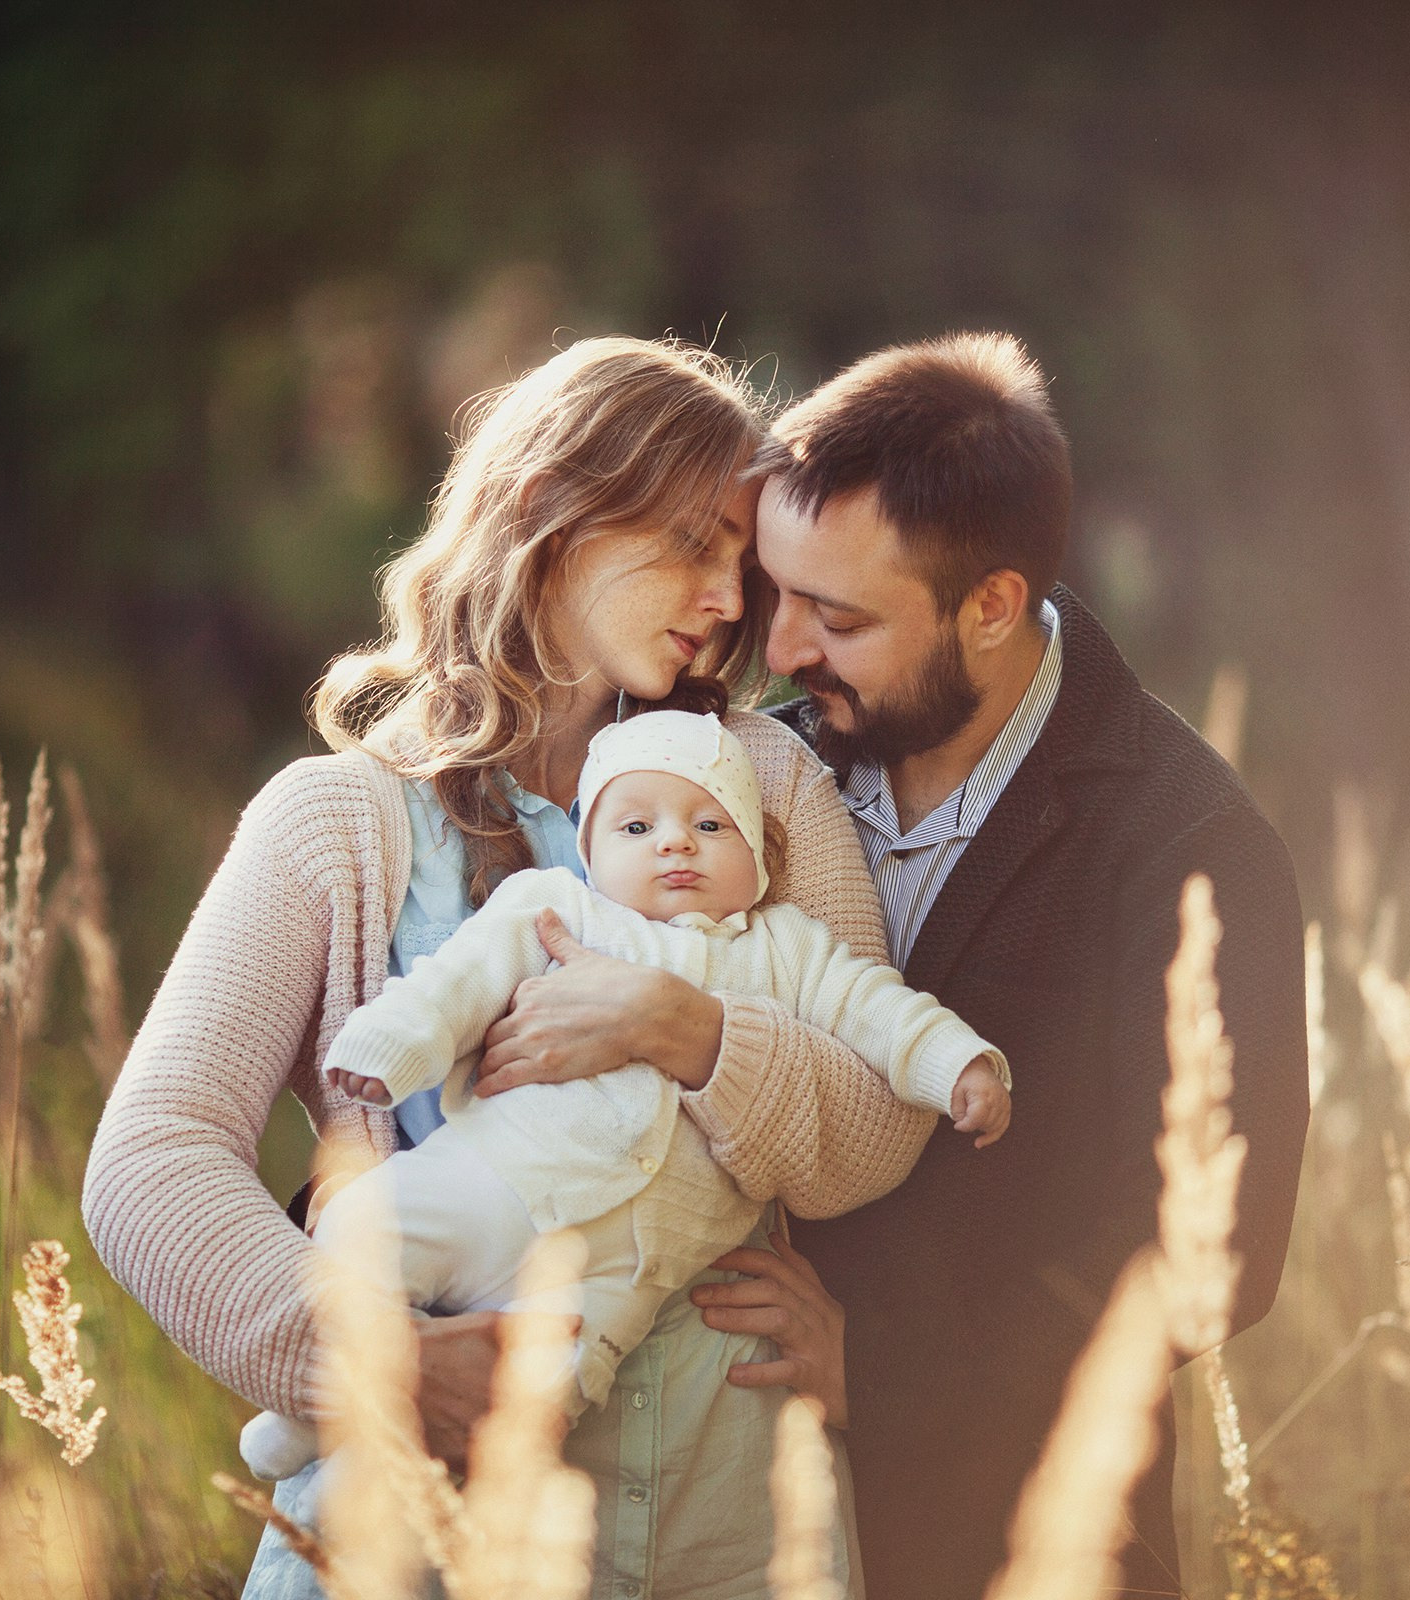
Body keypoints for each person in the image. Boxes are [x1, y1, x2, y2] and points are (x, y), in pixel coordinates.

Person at [81, 336, 940, 1600]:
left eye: (738, 567)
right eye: (694, 544)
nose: (724, 600)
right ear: (552, 510)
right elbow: (150, 1158)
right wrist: (385, 1366)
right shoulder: (339, 822)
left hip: (725, 1524)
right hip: (423, 1535)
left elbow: (876, 1120)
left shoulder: (763, 779)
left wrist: (688, 1030)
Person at [490, 332, 1308, 1597]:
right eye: (781, 592)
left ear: (989, 605)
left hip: (1014, 1528)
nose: (784, 652)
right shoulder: (752, 772)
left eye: (843, 617)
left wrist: (885, 1360)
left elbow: (1217, 1246)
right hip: (729, 1516)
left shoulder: (1187, 844)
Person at [237, 710, 1011, 1483]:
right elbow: (456, 986)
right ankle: (318, 1408)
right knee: (364, 1230)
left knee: (560, 1383)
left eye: (711, 823)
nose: (675, 842)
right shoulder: (561, 910)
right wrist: (395, 1047)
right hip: (495, 1185)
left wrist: (958, 1065)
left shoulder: (788, 950)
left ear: (760, 857)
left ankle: (472, 1457)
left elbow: (879, 1010)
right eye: (637, 826)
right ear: (590, 853)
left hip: (631, 1264)